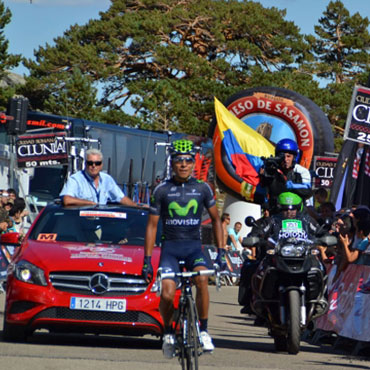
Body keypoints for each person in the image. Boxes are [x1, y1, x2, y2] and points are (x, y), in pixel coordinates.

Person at [141, 139, 223, 359]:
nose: (184, 165)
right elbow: (152, 225)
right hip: (170, 251)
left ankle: (204, 330)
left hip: (194, 249)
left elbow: (216, 220)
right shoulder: (162, 190)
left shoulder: (203, 188)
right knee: (167, 293)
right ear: (173, 163)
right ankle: (168, 332)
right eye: (179, 161)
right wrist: (147, 260)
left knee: (202, 280)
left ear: (193, 163)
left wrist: (221, 252)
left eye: (188, 161)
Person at [60, 148, 138, 207]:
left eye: (97, 163)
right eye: (90, 163)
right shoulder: (76, 179)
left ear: (101, 165)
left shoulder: (107, 179)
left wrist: (138, 207)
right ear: (86, 164)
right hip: (81, 223)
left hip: (101, 224)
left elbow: (121, 198)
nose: (94, 166)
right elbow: (67, 200)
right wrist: (90, 203)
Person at [260, 138, 312, 214]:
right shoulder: (272, 171)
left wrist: (293, 186)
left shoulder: (302, 171)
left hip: (298, 214)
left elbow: (307, 192)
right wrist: (264, 173)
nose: (285, 160)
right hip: (276, 214)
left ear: (294, 157)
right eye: (282, 157)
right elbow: (265, 191)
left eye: (288, 156)